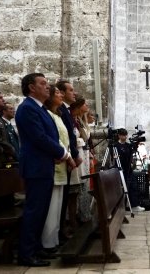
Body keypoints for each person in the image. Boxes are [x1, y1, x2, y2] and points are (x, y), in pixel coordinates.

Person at [16, 73, 70, 267]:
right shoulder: (27, 108)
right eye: (43, 84)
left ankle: (36, 248)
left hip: (44, 164)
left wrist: (54, 153)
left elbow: (49, 136)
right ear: (32, 87)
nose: (48, 87)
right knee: (34, 211)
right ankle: (26, 254)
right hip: (36, 167)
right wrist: (62, 153)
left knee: (41, 211)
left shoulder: (39, 108)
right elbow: (39, 137)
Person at [41, 85, 76, 253]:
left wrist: (68, 154)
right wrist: (67, 156)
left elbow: (66, 138)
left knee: (58, 205)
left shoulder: (58, 115)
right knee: (52, 206)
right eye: (57, 93)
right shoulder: (47, 115)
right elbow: (54, 139)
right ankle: (47, 243)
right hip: (56, 163)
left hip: (62, 162)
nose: (61, 95)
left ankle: (54, 240)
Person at [56, 79, 82, 241]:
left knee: (65, 198)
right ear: (62, 93)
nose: (75, 93)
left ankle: (60, 232)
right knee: (62, 200)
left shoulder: (64, 110)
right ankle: (59, 232)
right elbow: (65, 135)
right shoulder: (61, 110)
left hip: (69, 156)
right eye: (71, 90)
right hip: (64, 157)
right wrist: (72, 154)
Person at [69, 96, 92, 228]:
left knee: (82, 186)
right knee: (75, 189)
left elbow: (84, 136)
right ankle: (74, 218)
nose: (87, 106)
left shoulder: (79, 120)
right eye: (84, 104)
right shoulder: (73, 119)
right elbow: (79, 137)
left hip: (82, 153)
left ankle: (82, 214)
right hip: (76, 154)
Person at [114, 128, 145, 212]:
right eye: (123, 135)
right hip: (119, 169)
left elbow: (133, 154)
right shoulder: (115, 146)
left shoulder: (128, 145)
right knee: (121, 188)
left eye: (125, 135)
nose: (124, 137)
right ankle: (120, 206)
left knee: (133, 186)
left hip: (129, 169)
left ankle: (134, 205)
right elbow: (113, 157)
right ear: (119, 135)